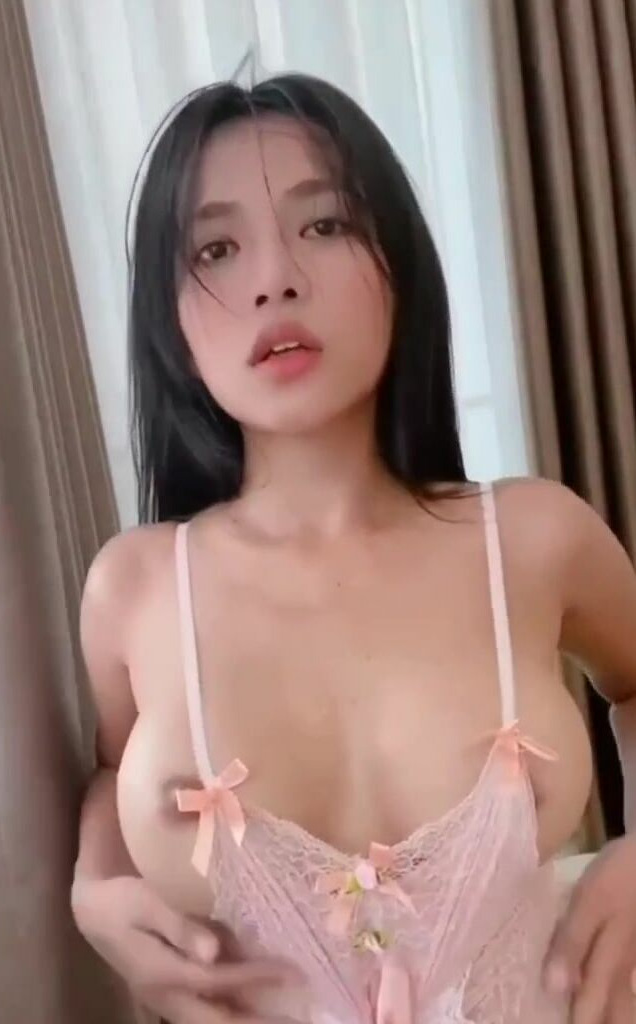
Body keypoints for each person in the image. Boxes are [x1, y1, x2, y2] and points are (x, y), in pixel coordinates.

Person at [71, 72, 636, 1023]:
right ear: (170, 322)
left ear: (399, 264)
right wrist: (93, 888)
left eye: (326, 223)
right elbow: (108, 769)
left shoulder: (535, 538)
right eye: (216, 248)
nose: (275, 279)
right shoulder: (134, 588)